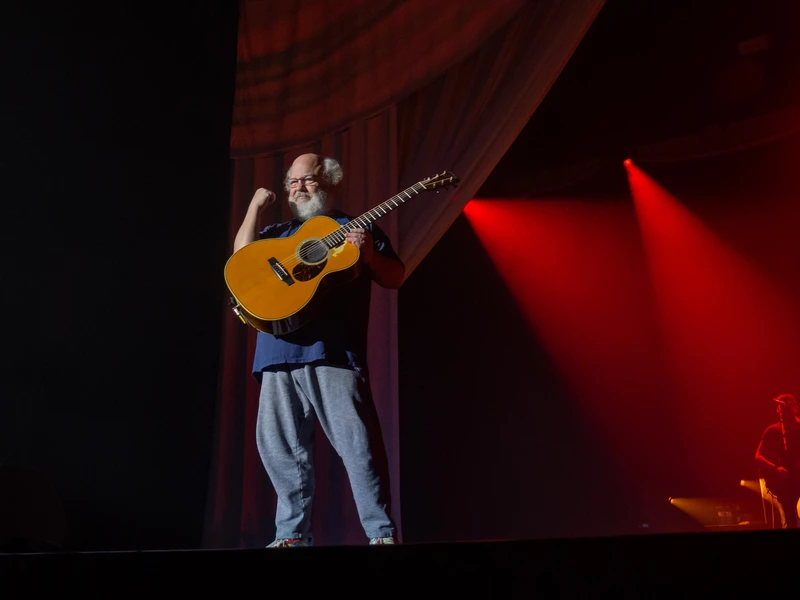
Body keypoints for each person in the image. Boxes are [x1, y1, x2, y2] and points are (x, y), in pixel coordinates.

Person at [232, 153, 405, 547]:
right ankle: (291, 536)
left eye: (307, 180)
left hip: (332, 351)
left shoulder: (355, 228)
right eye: (292, 182)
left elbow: (395, 276)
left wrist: (370, 256)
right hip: (276, 353)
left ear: (329, 182)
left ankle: (381, 534)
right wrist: (254, 206)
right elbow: (241, 260)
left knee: (357, 444)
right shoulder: (279, 233)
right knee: (279, 449)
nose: (298, 189)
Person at [755, 393, 800, 529]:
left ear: (795, 408)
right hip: (785, 484)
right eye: (780, 409)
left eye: (786, 408)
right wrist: (775, 469)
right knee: (790, 518)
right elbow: (758, 457)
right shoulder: (773, 431)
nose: (782, 412)